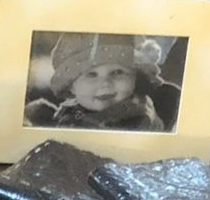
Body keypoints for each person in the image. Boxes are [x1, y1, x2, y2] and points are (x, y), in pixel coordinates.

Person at [27, 35, 177, 132]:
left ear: (135, 77)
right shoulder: (77, 107)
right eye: (92, 74)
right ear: (71, 86)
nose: (105, 83)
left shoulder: (137, 116)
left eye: (117, 72)